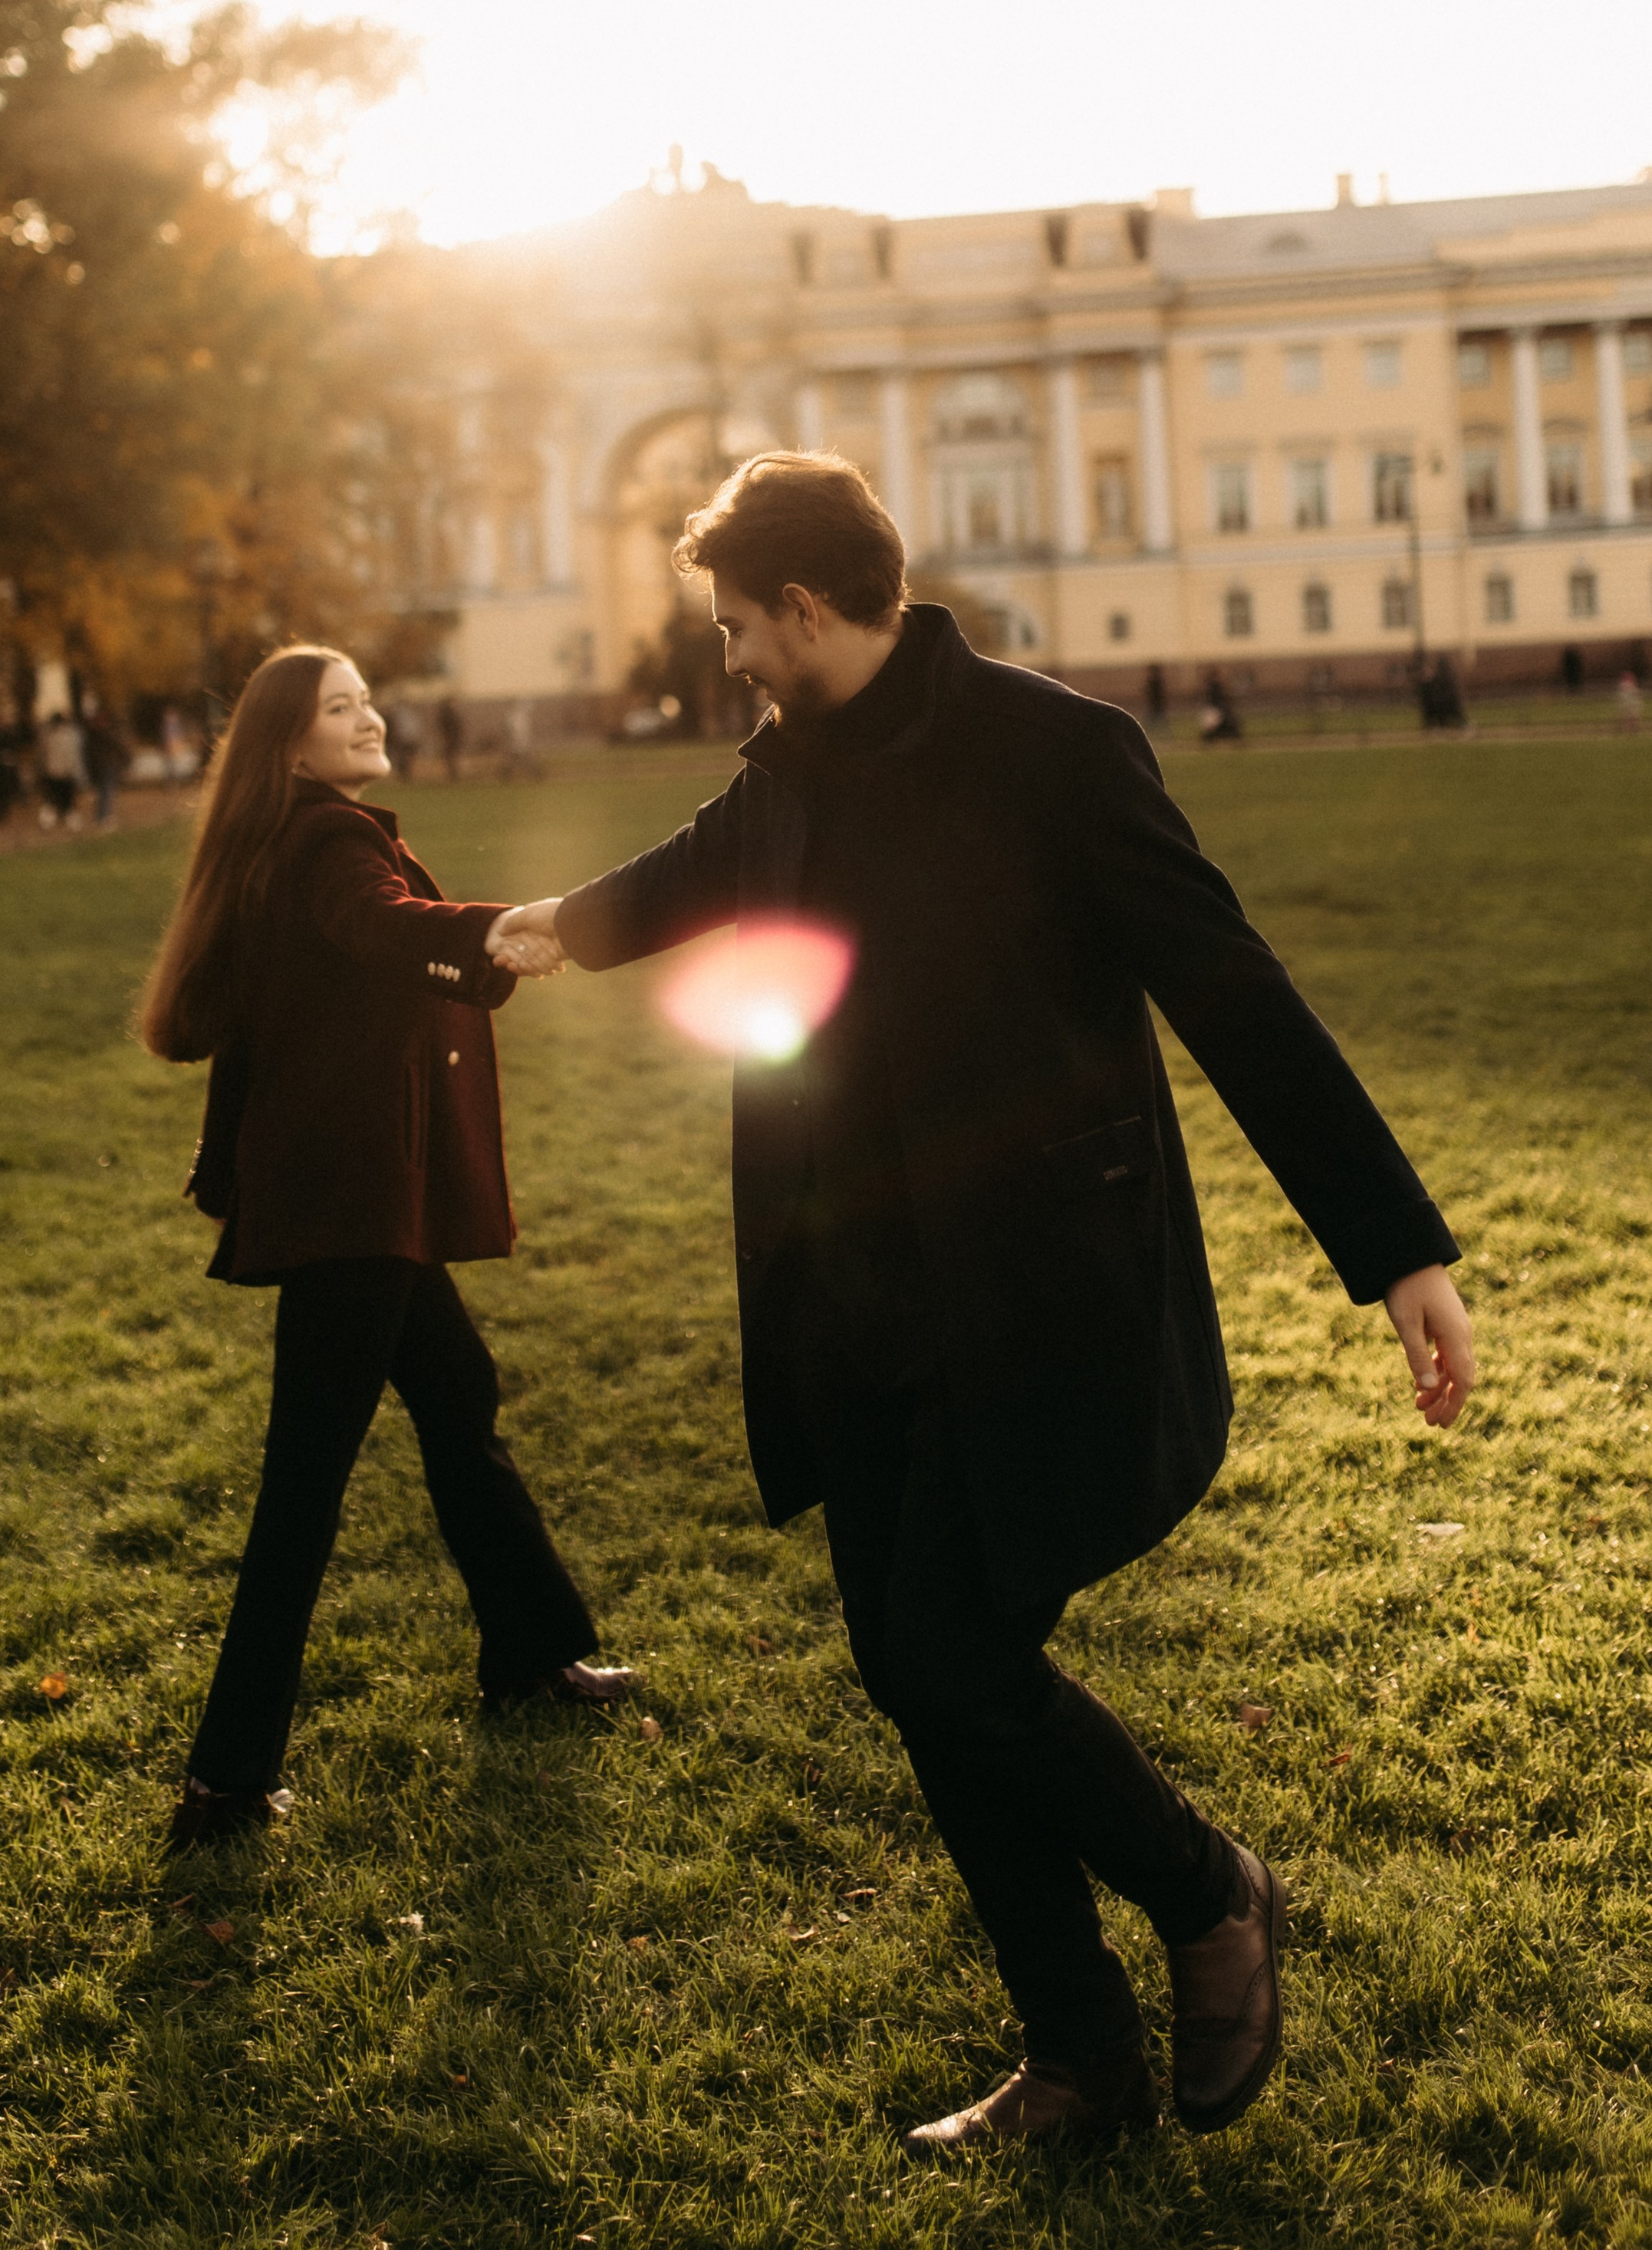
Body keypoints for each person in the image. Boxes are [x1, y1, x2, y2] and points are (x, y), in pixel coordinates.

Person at [489, 454, 1473, 2151]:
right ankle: (1081, 2056)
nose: (725, 659)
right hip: (849, 1288)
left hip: (1036, 1296)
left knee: (947, 1645)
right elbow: (687, 868)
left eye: (736, 626)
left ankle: (1204, 1883)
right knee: (912, 1657)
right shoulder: (789, 765)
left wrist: (1394, 1242)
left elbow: (1231, 988)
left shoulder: (1054, 750)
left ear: (806, 607)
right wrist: (544, 932)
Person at [139, 643, 630, 1856]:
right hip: (353, 1201)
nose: (367, 717)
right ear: (290, 745)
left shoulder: (306, 831)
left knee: (459, 1396)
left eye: (366, 699)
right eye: (339, 708)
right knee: (305, 1482)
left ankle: (531, 1653)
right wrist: (507, 929)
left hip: (365, 1196)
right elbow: (382, 929)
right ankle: (225, 1780)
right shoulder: (323, 842)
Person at [81, 700, 130, 826]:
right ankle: (104, 816)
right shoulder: (106, 734)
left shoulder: (92, 736)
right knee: (107, 791)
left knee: (103, 791)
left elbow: (88, 754)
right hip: (107, 766)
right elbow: (119, 748)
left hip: (99, 767)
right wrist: (126, 761)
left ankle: (101, 815)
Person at [36, 709, 86, 828]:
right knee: (55, 799)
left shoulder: (60, 736)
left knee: (63, 799)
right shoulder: (60, 736)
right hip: (57, 772)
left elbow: (70, 755)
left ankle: (63, 821)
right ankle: (51, 821)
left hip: (60, 771)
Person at [437, 692, 466, 785]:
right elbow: (444, 728)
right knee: (450, 757)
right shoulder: (447, 714)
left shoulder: (454, 713)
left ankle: (455, 773)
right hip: (450, 739)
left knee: (455, 757)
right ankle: (453, 774)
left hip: (455, 738)